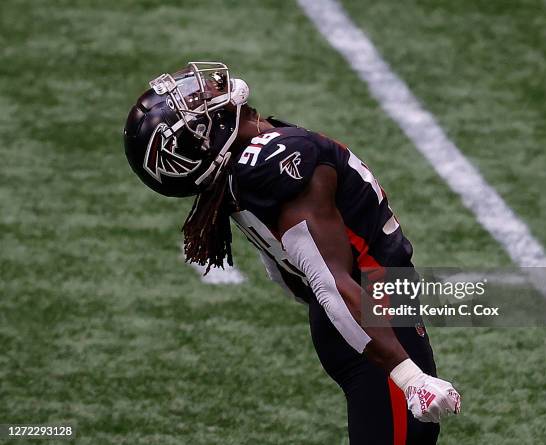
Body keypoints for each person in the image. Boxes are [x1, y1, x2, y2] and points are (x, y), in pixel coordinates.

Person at [124, 62, 460, 444]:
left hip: (364, 312)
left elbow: (287, 276)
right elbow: (328, 283)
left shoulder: (242, 167)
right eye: (195, 104)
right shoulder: (276, 161)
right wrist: (408, 376)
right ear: (199, 141)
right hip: (372, 319)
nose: (207, 93)